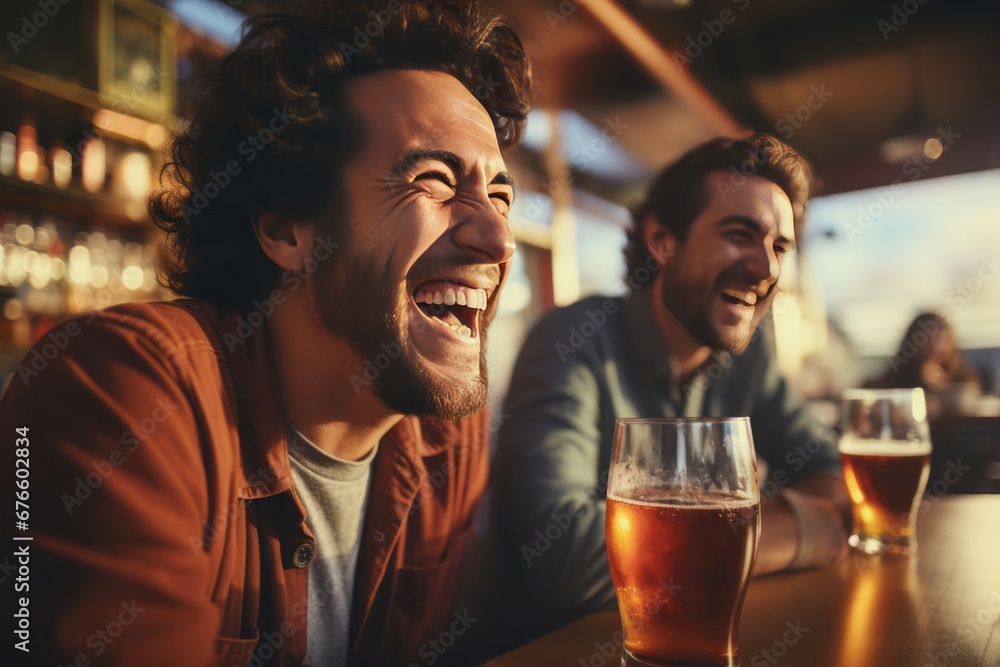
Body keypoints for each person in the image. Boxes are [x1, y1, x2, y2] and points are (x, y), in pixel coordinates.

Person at [0, 2, 530, 665]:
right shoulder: (119, 389)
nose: (498, 235)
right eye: (435, 181)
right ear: (285, 229)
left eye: (502, 196)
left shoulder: (446, 430)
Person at [491, 133, 850, 640]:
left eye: (779, 246)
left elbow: (832, 475)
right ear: (663, 241)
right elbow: (558, 560)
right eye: (739, 234)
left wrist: (677, 552)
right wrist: (797, 533)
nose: (766, 268)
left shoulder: (747, 356)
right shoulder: (572, 341)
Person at [867, 312, 981, 418]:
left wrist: (941, 387)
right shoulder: (894, 378)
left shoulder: (963, 378)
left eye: (939, 338)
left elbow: (968, 404)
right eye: (924, 339)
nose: (934, 347)